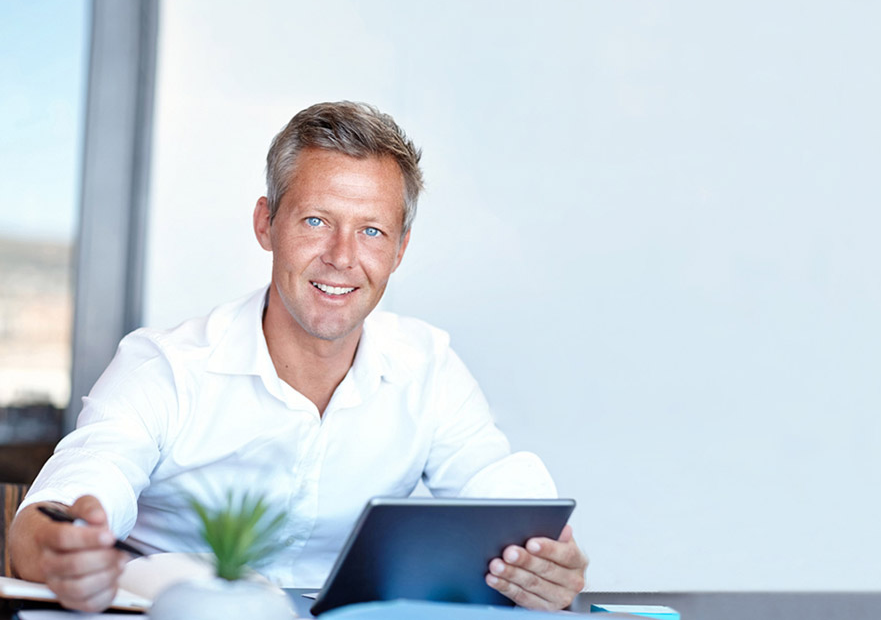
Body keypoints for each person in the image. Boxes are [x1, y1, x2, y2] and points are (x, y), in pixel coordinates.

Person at [8, 102, 588, 612]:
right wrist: (62, 553)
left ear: (400, 249)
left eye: (372, 231)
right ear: (267, 223)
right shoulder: (164, 366)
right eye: (316, 221)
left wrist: (547, 567)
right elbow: (53, 512)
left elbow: (509, 506)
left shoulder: (428, 367)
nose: (342, 257)